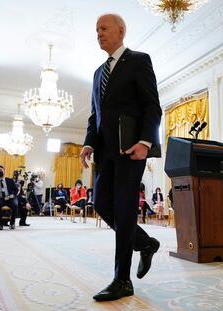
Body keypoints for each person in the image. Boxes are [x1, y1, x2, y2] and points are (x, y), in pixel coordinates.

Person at [80, 13, 162, 301]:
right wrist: (88, 144)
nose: (98, 33)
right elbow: (95, 117)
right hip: (104, 152)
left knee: (125, 210)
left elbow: (153, 106)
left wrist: (145, 142)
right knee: (101, 203)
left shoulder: (139, 60)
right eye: (96, 29)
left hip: (131, 150)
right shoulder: (96, 74)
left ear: (121, 31)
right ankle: (146, 243)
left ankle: (122, 280)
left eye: (103, 28)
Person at [0, 165, 18, 230]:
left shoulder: (10, 180)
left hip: (9, 198)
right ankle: (0, 224)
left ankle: (12, 223)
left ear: (4, 172)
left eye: (1, 170)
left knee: (15, 205)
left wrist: (13, 194)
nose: (0, 171)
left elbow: (16, 189)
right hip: (0, 199)